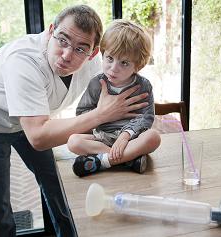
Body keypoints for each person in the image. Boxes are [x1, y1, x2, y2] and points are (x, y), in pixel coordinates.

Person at [0, 5, 148, 237]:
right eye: (62, 40)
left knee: (57, 187)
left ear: (93, 53)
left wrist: (130, 131)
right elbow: (38, 137)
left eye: (80, 49)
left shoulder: (96, 64)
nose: (67, 55)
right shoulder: (23, 61)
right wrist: (102, 114)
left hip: (34, 120)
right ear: (50, 32)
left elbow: (125, 70)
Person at [68, 19, 161, 177]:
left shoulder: (143, 86)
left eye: (124, 63)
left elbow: (146, 117)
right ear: (103, 54)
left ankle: (103, 161)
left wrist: (125, 136)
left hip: (131, 139)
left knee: (153, 137)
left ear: (137, 66)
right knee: (73, 142)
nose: (113, 68)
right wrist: (101, 113)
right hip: (103, 137)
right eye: (110, 58)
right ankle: (129, 160)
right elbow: (82, 113)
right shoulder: (97, 84)